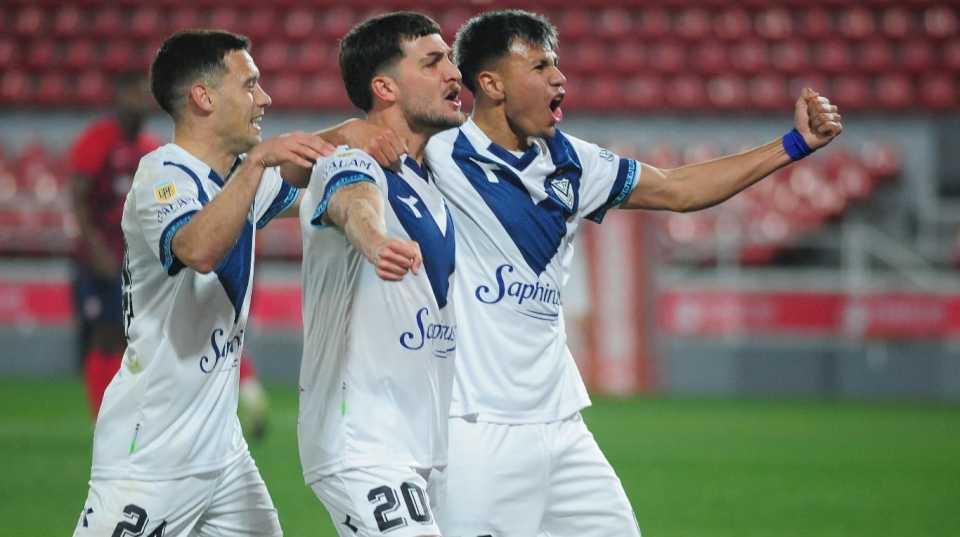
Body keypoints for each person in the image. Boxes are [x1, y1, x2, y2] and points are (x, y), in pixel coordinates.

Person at [419, 9, 844, 537]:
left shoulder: (573, 161)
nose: (559, 78)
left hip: (562, 423)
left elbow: (676, 188)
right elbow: (354, 154)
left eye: (558, 65)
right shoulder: (435, 154)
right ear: (491, 83)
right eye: (539, 66)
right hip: (473, 427)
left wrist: (792, 145)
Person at [72, 29, 334, 537]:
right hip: (151, 454)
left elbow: (316, 170)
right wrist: (260, 162)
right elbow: (198, 250)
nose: (266, 98)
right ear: (204, 96)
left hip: (222, 454)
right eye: (251, 84)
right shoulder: (161, 174)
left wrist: (387, 134)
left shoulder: (239, 176)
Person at [296, 12, 464, 537]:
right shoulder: (348, 158)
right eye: (434, 62)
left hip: (424, 447)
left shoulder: (434, 180)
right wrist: (375, 239)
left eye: (451, 59)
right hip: (361, 441)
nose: (454, 73)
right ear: (384, 87)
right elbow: (353, 202)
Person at [68, 72, 159, 417]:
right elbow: (78, 200)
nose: (141, 103)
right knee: (103, 333)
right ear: (119, 98)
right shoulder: (97, 140)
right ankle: (100, 413)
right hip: (99, 259)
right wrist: (95, 250)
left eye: (144, 95)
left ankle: (119, 409)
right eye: (134, 95)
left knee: (128, 337)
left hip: (135, 263)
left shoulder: (151, 149)